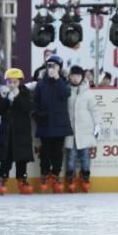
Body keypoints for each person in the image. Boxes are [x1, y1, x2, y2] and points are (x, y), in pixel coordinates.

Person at [0, 68, 35, 195]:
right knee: (6, 158)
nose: (12, 85)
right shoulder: (4, 92)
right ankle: (2, 179)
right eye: (9, 82)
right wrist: (3, 98)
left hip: (22, 132)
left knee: (22, 159)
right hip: (7, 132)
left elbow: (28, 108)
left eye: (15, 82)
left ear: (20, 82)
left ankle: (22, 180)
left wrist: (17, 96)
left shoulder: (25, 92)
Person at [33, 54, 72, 193]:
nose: (51, 68)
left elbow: (66, 94)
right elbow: (35, 101)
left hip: (60, 123)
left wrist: (57, 78)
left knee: (57, 151)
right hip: (45, 122)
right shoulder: (41, 83)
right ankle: (44, 173)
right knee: (45, 150)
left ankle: (55, 174)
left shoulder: (63, 82)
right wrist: (38, 115)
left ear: (59, 68)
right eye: (49, 65)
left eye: (54, 66)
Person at [64, 65, 100, 193]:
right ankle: (71, 178)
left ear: (82, 77)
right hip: (70, 131)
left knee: (85, 157)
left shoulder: (88, 93)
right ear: (69, 76)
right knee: (71, 156)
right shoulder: (66, 90)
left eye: (78, 76)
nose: (75, 78)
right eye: (73, 75)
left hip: (85, 130)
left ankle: (85, 177)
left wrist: (97, 124)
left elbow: (95, 110)